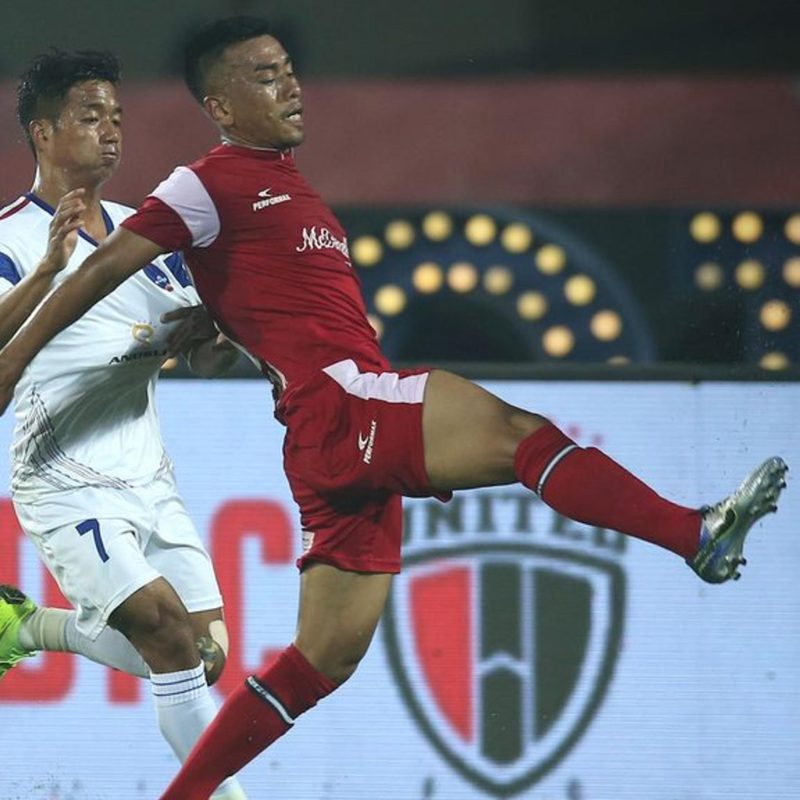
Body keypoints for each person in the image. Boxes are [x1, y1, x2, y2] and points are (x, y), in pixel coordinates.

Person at [0, 19, 788, 799]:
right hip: (336, 409)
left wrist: (214, 331)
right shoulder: (200, 185)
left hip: (299, 441)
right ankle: (693, 534)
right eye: (266, 76)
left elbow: (220, 326)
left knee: (312, 662)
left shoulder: (278, 188)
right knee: (522, 436)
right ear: (222, 106)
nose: (291, 86)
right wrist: (15, 350)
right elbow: (94, 277)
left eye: (289, 71)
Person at [0, 49, 247, 800]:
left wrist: (219, 336)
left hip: (149, 476)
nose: (111, 131)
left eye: (116, 117)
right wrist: (47, 273)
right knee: (167, 633)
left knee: (205, 655)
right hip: (64, 476)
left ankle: (29, 628)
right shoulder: (11, 237)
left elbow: (205, 360)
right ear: (43, 132)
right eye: (89, 116)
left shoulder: (148, 236)